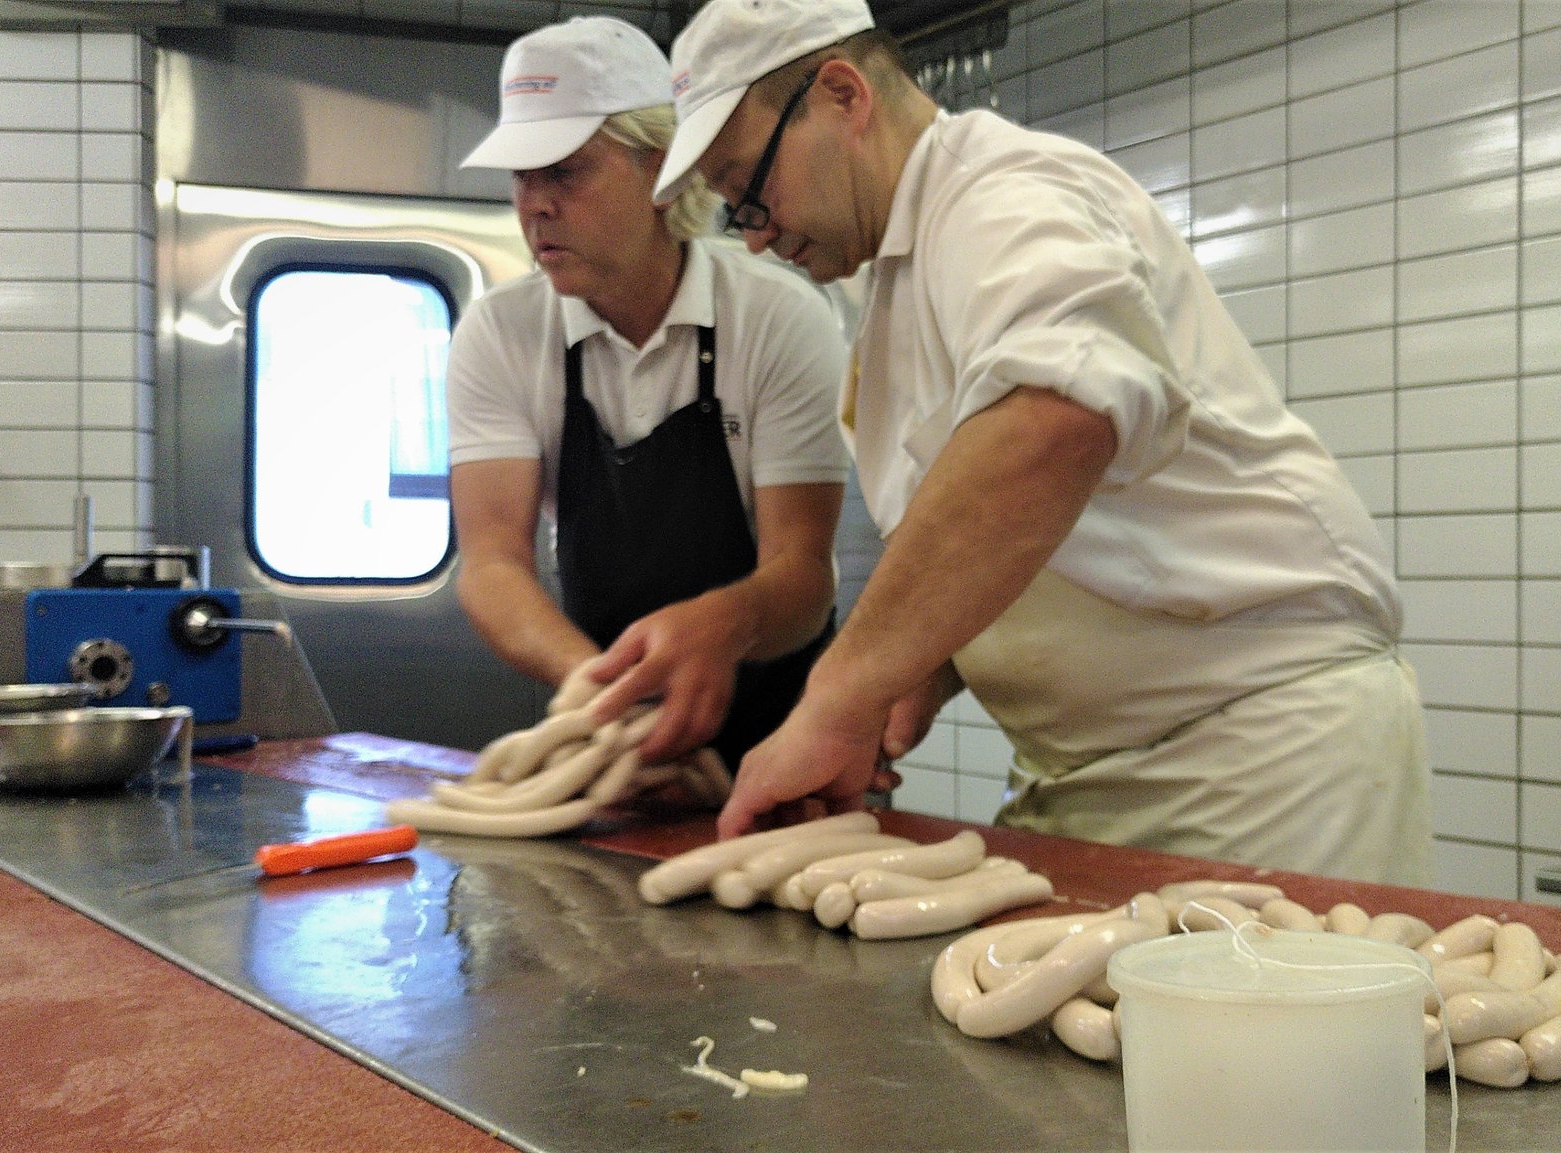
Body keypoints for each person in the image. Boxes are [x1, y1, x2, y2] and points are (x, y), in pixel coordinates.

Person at [641, 0, 1434, 884]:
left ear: (841, 95)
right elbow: (1031, 532)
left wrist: (837, 694)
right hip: (1087, 773)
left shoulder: (1004, 195)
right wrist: (920, 670)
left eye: (749, 183)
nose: (751, 229)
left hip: (1256, 759)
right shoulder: (894, 277)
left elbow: (1056, 423)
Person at [449, 16, 850, 771]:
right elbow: (493, 562)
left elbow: (803, 572)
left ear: (662, 172)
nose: (533, 204)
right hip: (612, 750)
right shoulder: (499, 334)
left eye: (564, 170)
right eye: (520, 175)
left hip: (785, 749)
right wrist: (604, 693)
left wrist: (722, 624)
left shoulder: (777, 318)